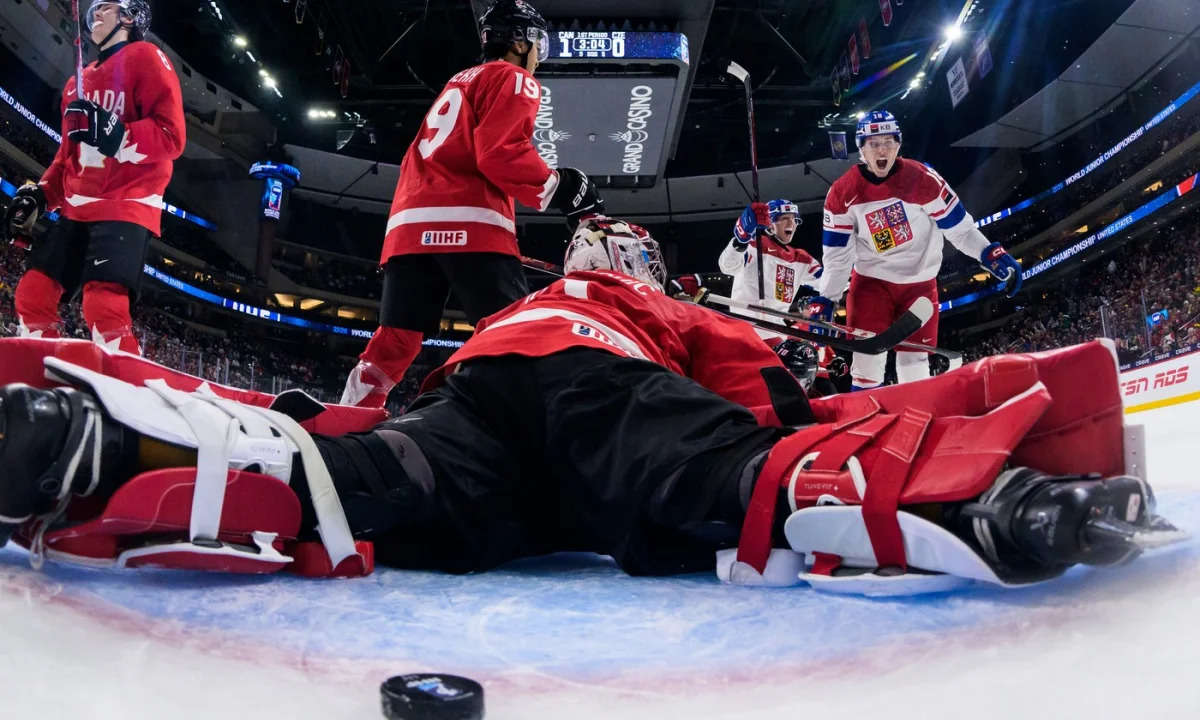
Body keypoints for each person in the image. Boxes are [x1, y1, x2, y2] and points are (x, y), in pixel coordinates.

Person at [0, 216, 1176, 595]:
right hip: (599, 392)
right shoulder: (649, 304)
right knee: (741, 477)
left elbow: (451, 386)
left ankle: (105, 453)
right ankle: (994, 503)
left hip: (482, 412)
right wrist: (788, 417)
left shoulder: (528, 301)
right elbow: (754, 388)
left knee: (362, 483)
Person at [340, 0, 603, 408]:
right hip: (472, 222)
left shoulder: (457, 82)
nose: (538, 57)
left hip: (409, 226)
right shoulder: (513, 77)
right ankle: (511, 425)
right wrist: (561, 186)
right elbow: (500, 153)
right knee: (512, 331)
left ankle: (349, 412)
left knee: (396, 339)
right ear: (519, 42)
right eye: (537, 44)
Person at [4, 0, 185, 355]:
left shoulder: (146, 56)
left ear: (129, 17)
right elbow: (67, 157)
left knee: (103, 306)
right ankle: (43, 368)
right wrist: (41, 195)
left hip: (125, 203)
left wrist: (120, 135)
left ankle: (125, 379)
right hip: (76, 207)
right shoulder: (76, 83)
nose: (96, 13)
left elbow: (172, 136)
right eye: (95, 8)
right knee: (33, 293)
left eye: (106, 7)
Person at [810, 110, 1022, 390]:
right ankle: (866, 417)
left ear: (898, 144)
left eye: (888, 142)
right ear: (861, 149)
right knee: (867, 365)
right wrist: (827, 298)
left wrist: (989, 253)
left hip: (920, 286)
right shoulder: (841, 193)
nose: (882, 150)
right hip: (872, 285)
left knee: (915, 368)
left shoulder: (924, 180)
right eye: (874, 143)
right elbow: (838, 257)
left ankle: (915, 416)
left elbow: (960, 230)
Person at [717, 198, 823, 341]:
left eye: (793, 219)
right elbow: (727, 267)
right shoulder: (754, 244)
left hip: (777, 333)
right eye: (784, 218)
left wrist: (849, 268)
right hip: (745, 330)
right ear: (770, 224)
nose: (791, 223)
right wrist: (740, 241)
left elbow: (829, 283)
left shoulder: (802, 259)